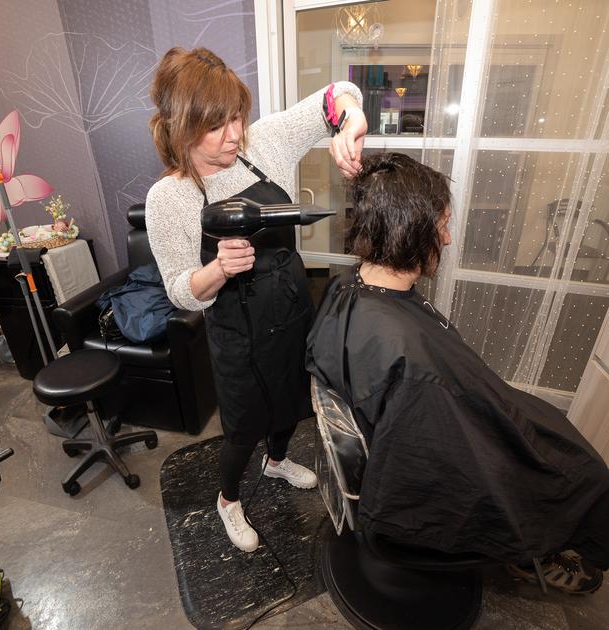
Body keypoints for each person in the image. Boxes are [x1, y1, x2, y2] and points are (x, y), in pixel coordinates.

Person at [306, 152, 609, 594]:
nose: (447, 239)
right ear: (411, 230)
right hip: (454, 427)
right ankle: (536, 550)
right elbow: (453, 459)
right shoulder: (411, 360)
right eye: (443, 225)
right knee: (585, 475)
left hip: (452, 407)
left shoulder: (345, 287)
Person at [145, 47, 367, 553]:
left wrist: (351, 118)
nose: (233, 135)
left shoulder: (264, 143)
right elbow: (180, 290)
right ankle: (228, 499)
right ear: (181, 127)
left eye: (237, 117)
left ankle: (277, 460)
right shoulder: (170, 198)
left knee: (291, 406)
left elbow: (337, 95)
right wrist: (218, 269)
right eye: (215, 125)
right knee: (244, 429)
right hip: (237, 336)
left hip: (291, 313)